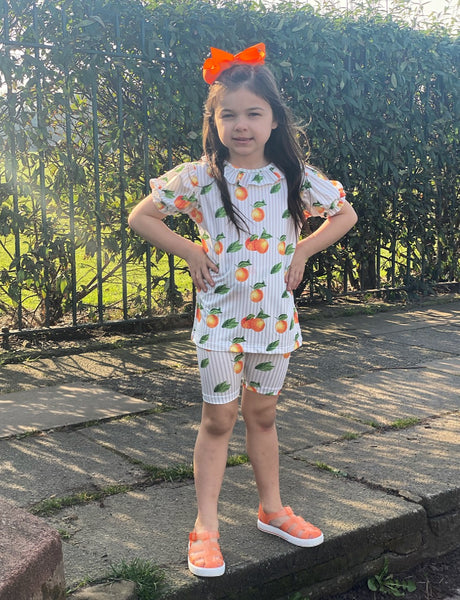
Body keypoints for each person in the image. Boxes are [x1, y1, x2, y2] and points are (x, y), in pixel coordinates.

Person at [128, 42, 358, 578]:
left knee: (263, 414)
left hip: (274, 320)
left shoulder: (295, 178)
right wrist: (191, 252)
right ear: (214, 121)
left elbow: (344, 215)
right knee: (218, 419)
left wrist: (302, 250)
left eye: (254, 113)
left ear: (274, 119)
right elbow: (142, 216)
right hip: (218, 322)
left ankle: (272, 509)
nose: (241, 125)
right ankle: (205, 527)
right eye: (228, 114)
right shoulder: (200, 178)